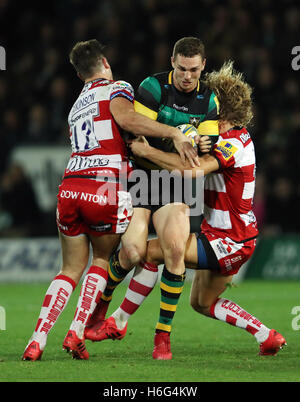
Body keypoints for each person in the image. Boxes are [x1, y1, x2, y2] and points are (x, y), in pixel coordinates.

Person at [91, 61, 287, 359]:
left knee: (151, 252)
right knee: (201, 303)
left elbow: (192, 171)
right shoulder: (230, 137)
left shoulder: (232, 142)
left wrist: (147, 151)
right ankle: (267, 335)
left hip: (229, 238)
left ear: (221, 111)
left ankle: (118, 320)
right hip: (234, 236)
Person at [22, 39, 198, 361]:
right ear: (104, 61)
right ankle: (76, 333)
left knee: (69, 269)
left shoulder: (76, 106)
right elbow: (127, 119)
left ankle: (37, 339)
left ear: (79, 75)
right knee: (101, 261)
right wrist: (173, 133)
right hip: (104, 187)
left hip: (71, 186)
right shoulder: (116, 87)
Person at [85, 37, 220, 344]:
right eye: (182, 69)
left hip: (177, 185)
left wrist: (201, 144)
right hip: (143, 178)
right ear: (172, 62)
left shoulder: (209, 99)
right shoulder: (154, 87)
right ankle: (102, 305)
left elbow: (205, 151)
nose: (187, 77)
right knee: (132, 251)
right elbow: (139, 140)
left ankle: (162, 336)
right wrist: (175, 139)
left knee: (174, 249)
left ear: (203, 67)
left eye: (194, 70)